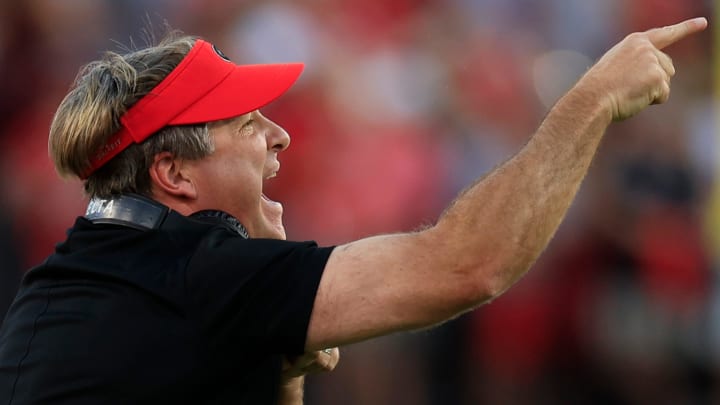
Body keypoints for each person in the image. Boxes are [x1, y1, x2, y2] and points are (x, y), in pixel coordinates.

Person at [0, 16, 707, 404]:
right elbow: (467, 265)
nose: (278, 134)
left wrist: (281, 366)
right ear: (174, 173)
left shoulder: (63, 286)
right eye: (246, 123)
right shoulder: (200, 272)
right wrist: (592, 103)